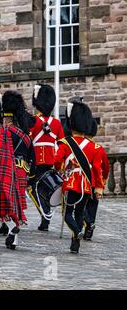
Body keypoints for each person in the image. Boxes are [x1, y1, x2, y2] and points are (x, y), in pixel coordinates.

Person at [54, 100, 104, 254]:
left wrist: (61, 170)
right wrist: (99, 189)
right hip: (87, 185)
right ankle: (75, 245)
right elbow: (97, 170)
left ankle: (77, 232)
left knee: (67, 213)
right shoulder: (95, 147)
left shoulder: (65, 143)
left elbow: (57, 161)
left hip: (71, 183)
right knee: (79, 213)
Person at [0, 91, 35, 250]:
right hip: (22, 173)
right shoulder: (25, 135)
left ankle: (10, 229)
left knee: (5, 203)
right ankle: (14, 238)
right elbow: (31, 158)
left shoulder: (1, 131)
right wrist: (30, 178)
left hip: (6, 171)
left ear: (4, 116)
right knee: (17, 204)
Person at [28, 84, 65, 232]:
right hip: (49, 161)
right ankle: (46, 216)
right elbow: (61, 145)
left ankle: (45, 214)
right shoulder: (56, 123)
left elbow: (27, 141)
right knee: (44, 188)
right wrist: (58, 163)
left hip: (35, 161)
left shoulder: (34, 121)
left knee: (32, 188)